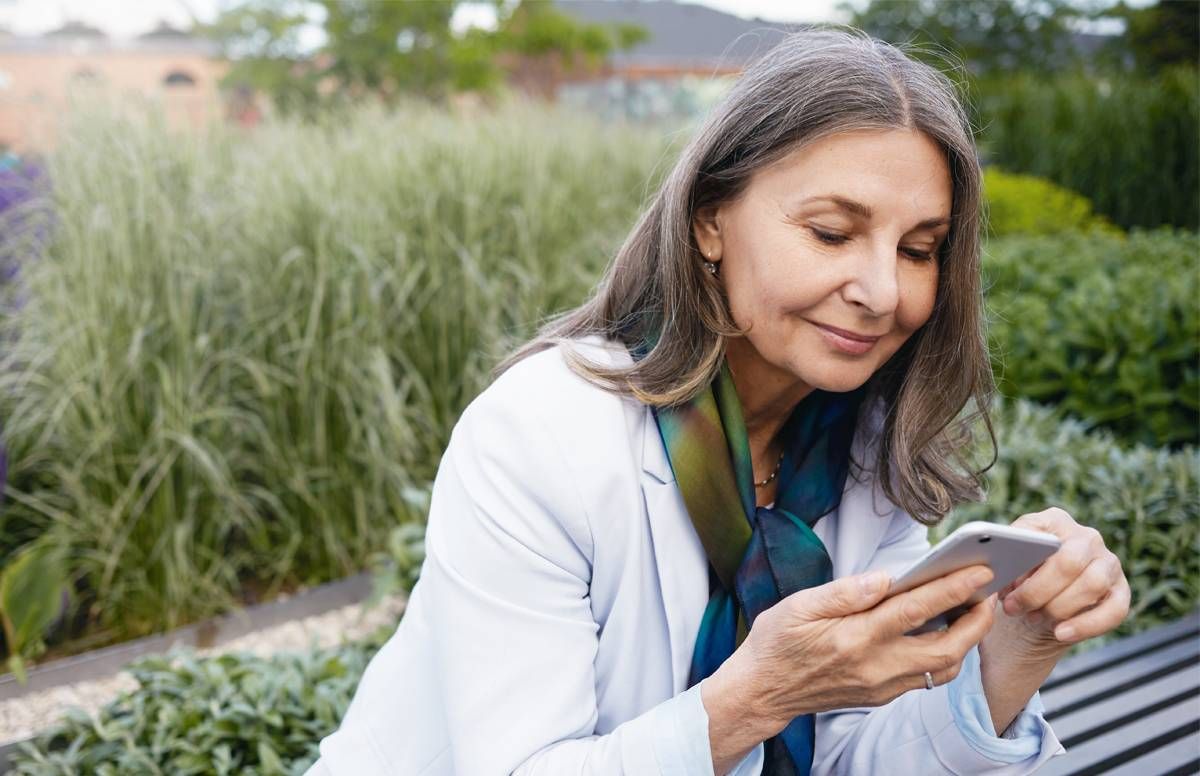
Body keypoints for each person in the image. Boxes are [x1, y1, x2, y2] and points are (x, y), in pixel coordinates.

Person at [307, 27, 1129, 776]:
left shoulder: (869, 447)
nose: (883, 291)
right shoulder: (537, 434)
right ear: (710, 220)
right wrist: (759, 696)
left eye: (920, 249)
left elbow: (852, 756)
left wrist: (1017, 649)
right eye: (832, 233)